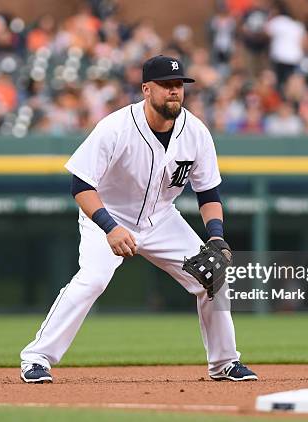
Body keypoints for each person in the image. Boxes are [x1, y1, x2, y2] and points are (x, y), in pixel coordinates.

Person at [19, 55, 258, 383]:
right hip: (107, 215)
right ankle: (36, 359)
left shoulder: (196, 132)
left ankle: (224, 362)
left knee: (213, 276)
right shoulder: (115, 127)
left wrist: (215, 236)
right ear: (147, 89)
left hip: (161, 218)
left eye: (179, 85)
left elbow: (209, 195)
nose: (174, 91)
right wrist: (110, 227)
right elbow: (81, 186)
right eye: (166, 85)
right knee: (93, 280)